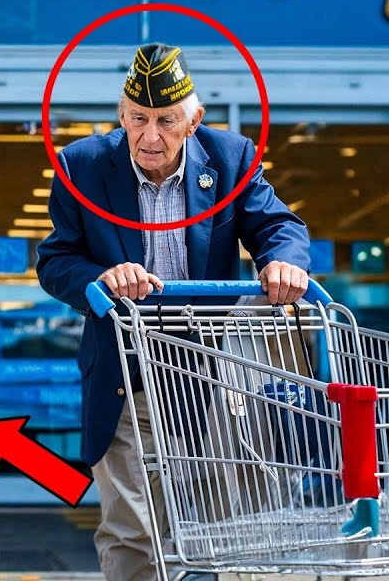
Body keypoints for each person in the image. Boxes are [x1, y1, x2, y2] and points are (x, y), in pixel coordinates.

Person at [35, 43, 310, 581]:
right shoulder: (80, 167)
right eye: (138, 119)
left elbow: (279, 227)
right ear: (121, 115)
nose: (151, 136)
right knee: (133, 531)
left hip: (210, 373)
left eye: (167, 121)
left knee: (228, 524)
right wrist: (100, 278)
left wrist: (282, 263)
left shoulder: (230, 157)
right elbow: (56, 259)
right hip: (126, 371)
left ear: (195, 120)